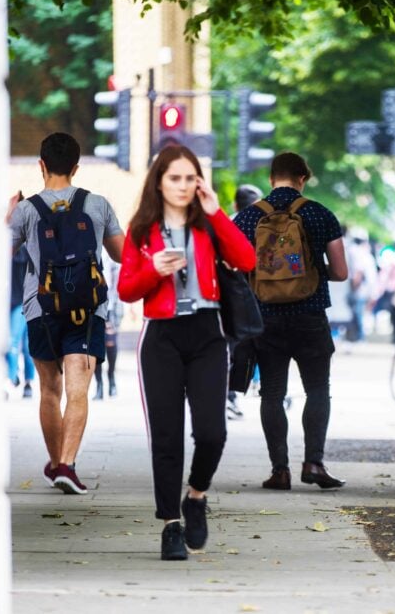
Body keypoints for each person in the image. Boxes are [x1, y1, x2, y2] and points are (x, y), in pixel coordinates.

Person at [117, 144, 255, 561]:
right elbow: (126, 289)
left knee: (213, 432)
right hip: (161, 338)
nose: (182, 185)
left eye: (189, 177)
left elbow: (246, 259)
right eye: (174, 178)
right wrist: (152, 269)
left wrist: (215, 213)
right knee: (166, 437)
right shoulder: (142, 230)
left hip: (207, 335)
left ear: (199, 182)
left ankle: (196, 496)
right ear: (159, 182)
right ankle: (169, 525)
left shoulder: (208, 225)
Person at [7, 132, 124, 495]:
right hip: (88, 310)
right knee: (78, 389)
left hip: (39, 308)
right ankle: (67, 465)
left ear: (41, 166)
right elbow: (122, 254)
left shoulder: (27, 211)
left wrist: (7, 216)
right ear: (76, 167)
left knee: (48, 390)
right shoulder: (98, 204)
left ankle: (57, 462)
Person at [233, 152, 349, 491]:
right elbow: (341, 272)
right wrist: (311, 271)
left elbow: (236, 271)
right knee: (317, 390)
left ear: (271, 179)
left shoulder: (247, 218)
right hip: (310, 315)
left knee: (271, 393)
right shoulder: (320, 214)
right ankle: (313, 462)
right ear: (303, 178)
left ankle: (279, 470)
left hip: (265, 318)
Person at [226, 184, 265, 419]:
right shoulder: (264, 225)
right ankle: (236, 394)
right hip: (256, 296)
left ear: (234, 204)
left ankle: (228, 396)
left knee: (230, 348)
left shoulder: (227, 224)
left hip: (229, 296)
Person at [7, 246, 36, 398]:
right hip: (15, 303)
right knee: (21, 343)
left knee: (20, 343)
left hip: (22, 303)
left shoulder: (25, 249)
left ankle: (18, 380)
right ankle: (20, 379)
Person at [93, 256, 122, 400]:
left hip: (111, 306)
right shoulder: (90, 247)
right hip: (94, 306)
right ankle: (99, 384)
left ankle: (111, 377)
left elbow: (119, 283)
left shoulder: (111, 252)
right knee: (96, 345)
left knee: (110, 342)